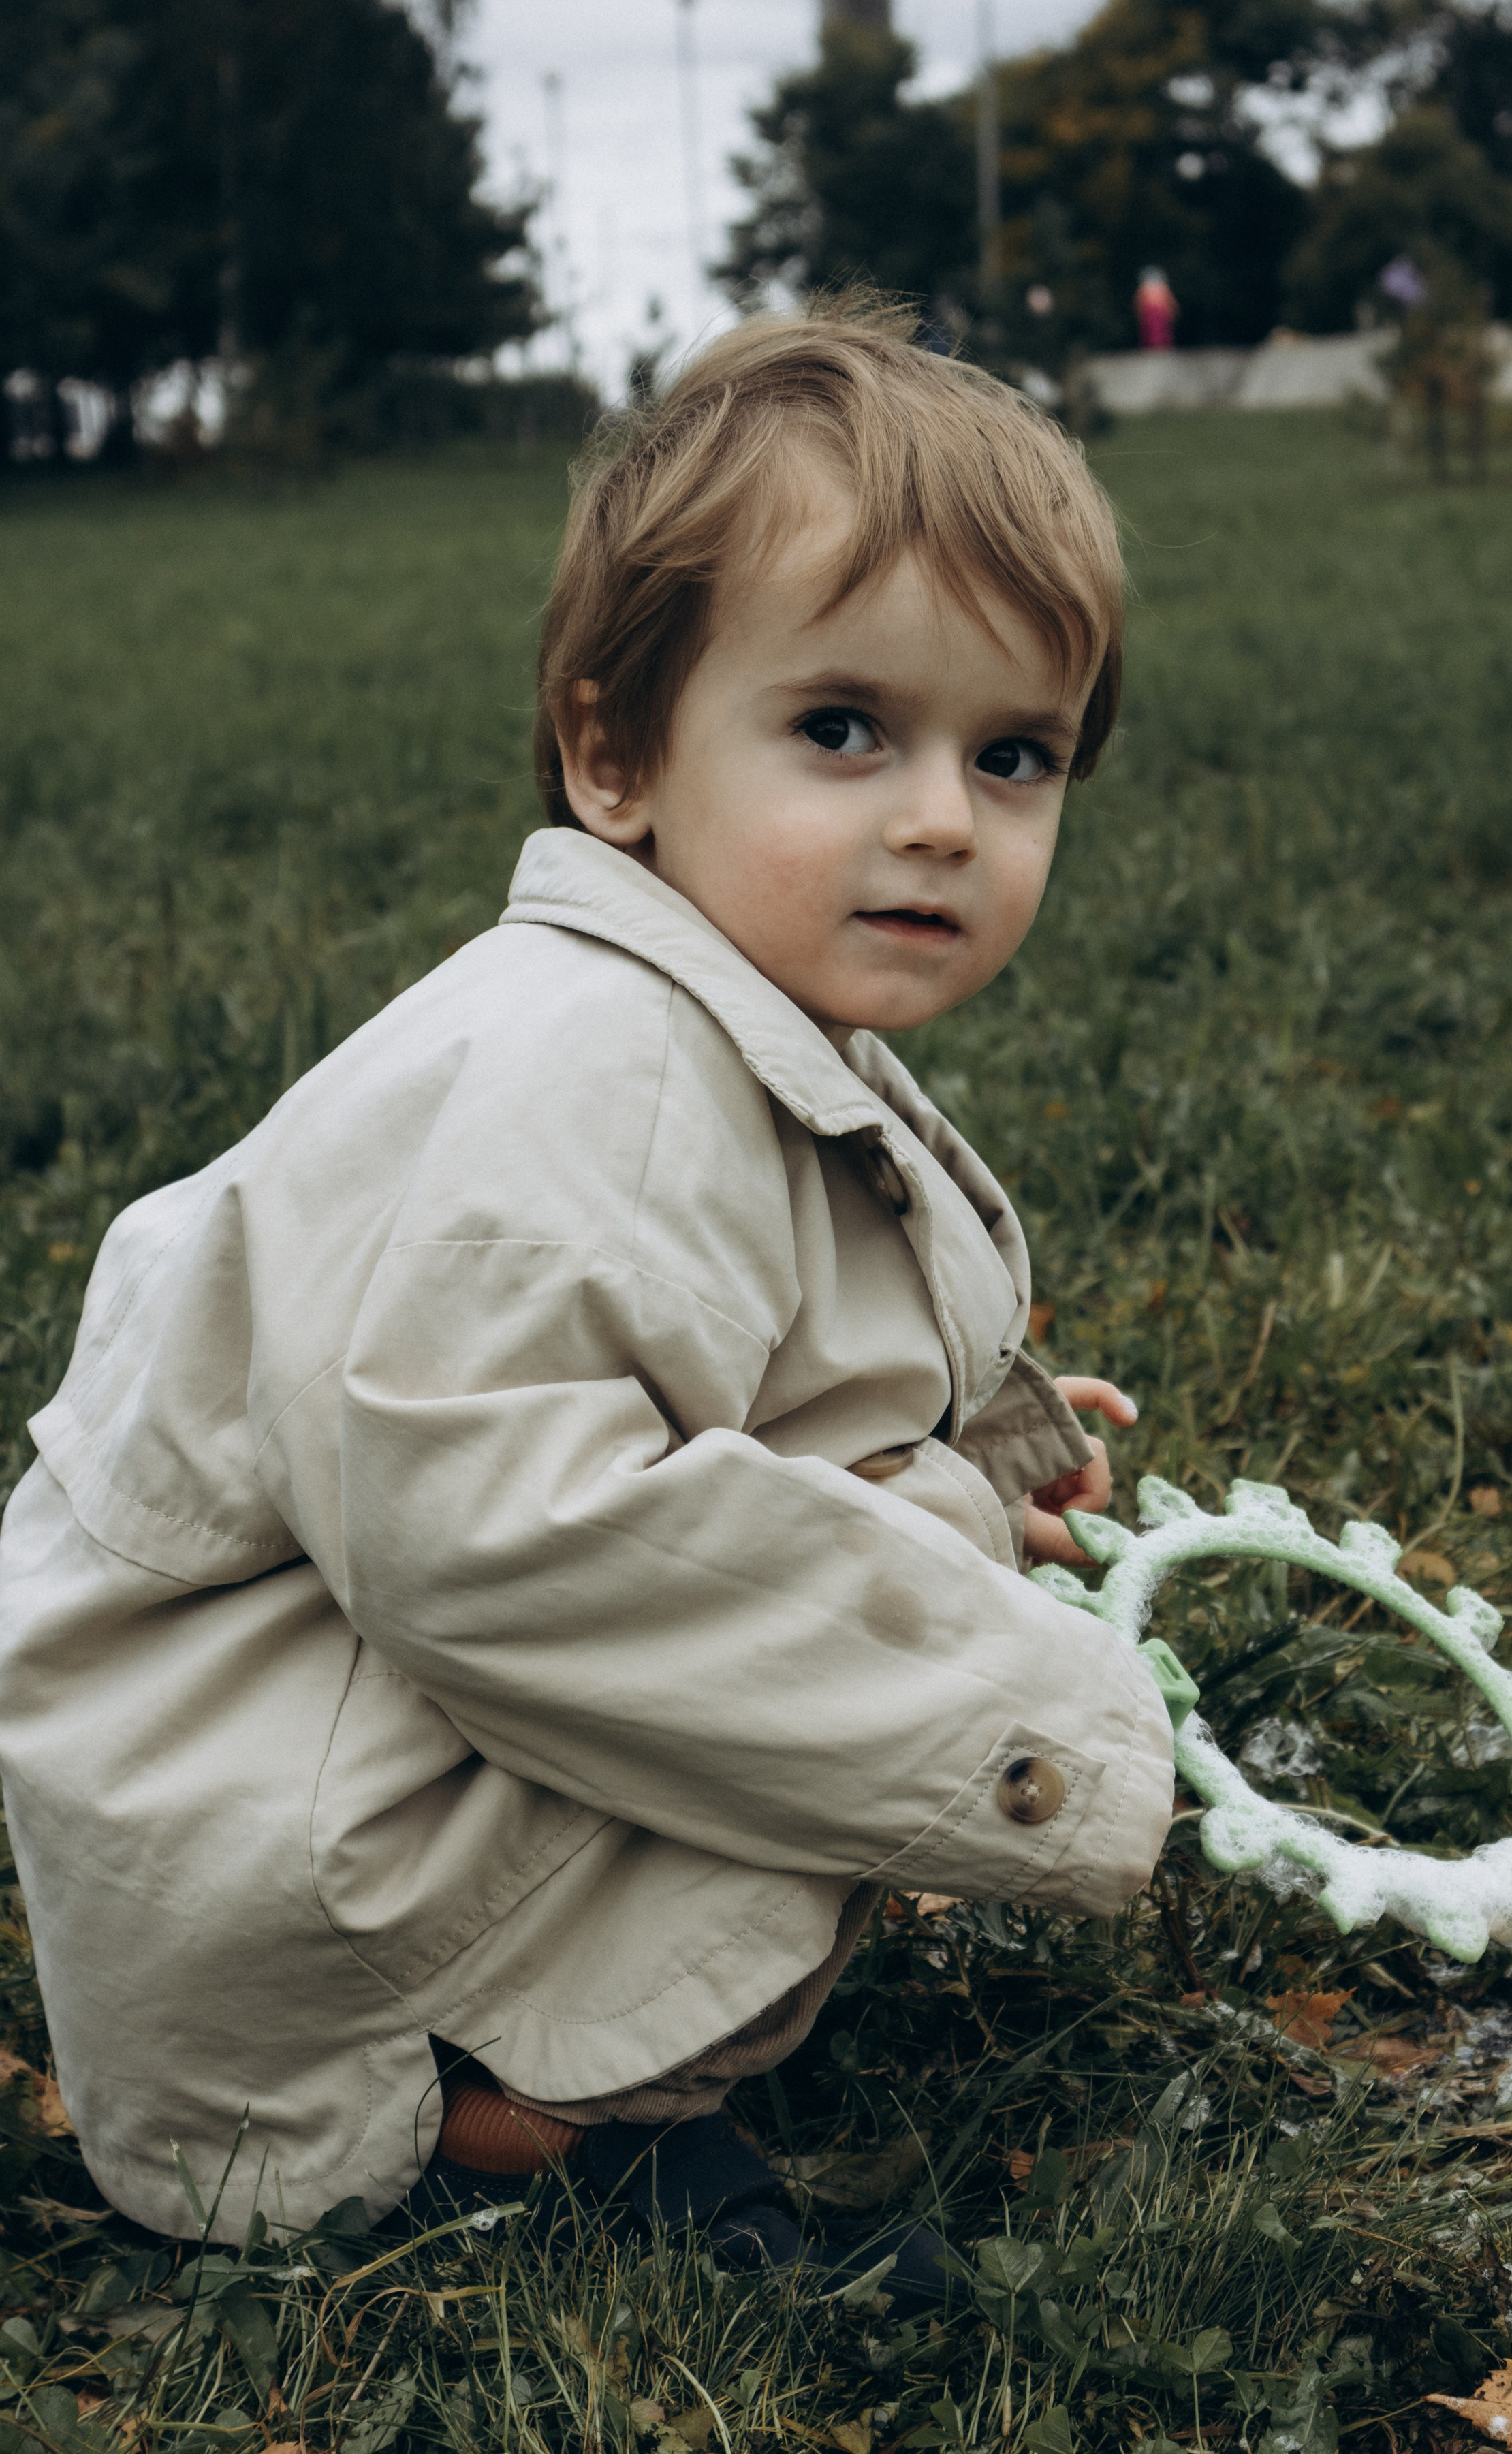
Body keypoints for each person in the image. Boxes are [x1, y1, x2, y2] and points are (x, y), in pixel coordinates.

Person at [0, 305, 1177, 2295]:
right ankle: (480, 2107)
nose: (941, 818)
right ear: (615, 749)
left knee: (810, 1650)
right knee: (801, 1695)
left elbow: (722, 1390)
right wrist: (1027, 1729)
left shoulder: (719, 1014)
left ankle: (515, 2015)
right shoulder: (595, 1074)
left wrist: (967, 1470)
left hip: (350, 1733)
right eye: (843, 728)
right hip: (283, 1845)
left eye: (1014, 753)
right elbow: (508, 1539)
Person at [1135, 266, 1178, 352]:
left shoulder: (1161, 288)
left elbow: (1169, 300)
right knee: (1151, 332)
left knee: (1162, 331)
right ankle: (1153, 348)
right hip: (1151, 311)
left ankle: (1161, 348)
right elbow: (1139, 301)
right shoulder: (1145, 289)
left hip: (1159, 311)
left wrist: (1172, 310)